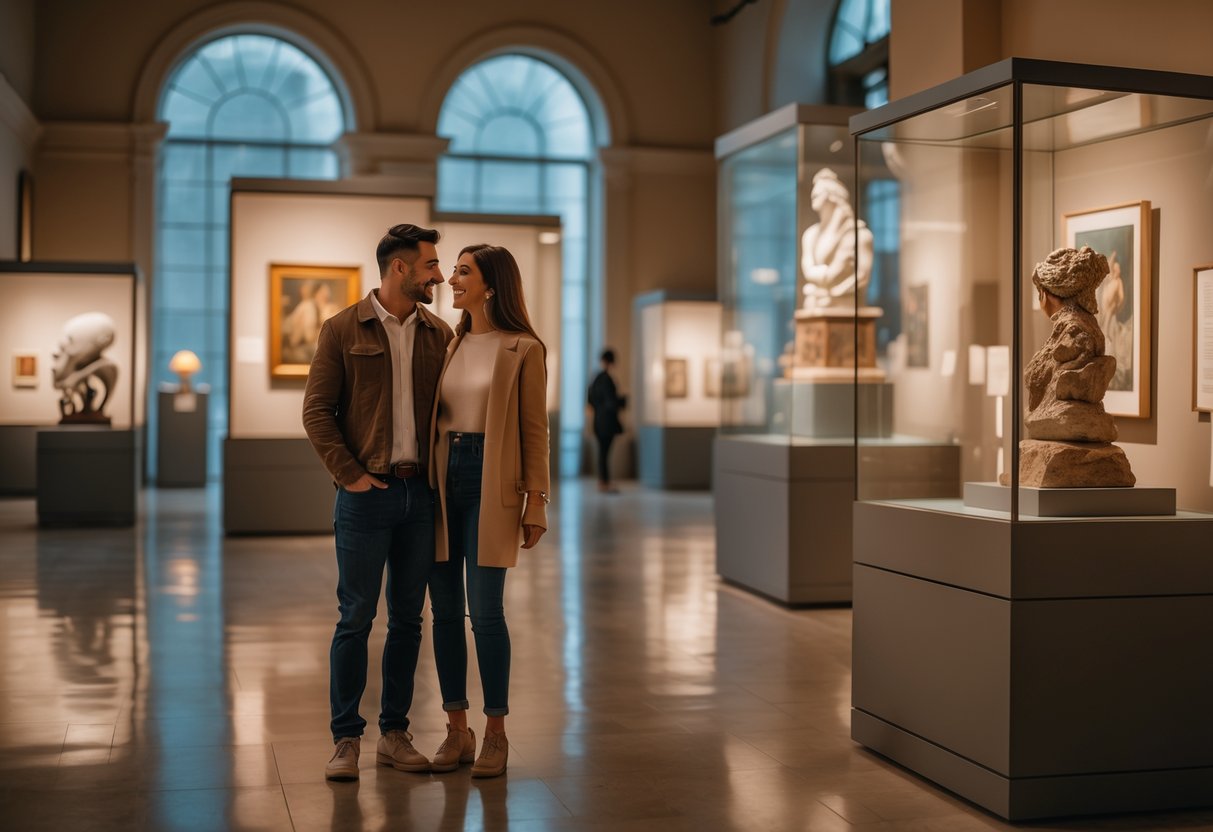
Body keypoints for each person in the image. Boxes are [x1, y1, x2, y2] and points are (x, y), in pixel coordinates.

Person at [302, 224, 454, 781]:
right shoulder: (342, 328)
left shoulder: (441, 334)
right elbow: (317, 411)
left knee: (408, 621)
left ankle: (394, 733)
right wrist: (352, 477)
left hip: (422, 496)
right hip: (366, 496)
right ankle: (346, 740)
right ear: (399, 269)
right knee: (356, 617)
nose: (439, 274)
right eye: (431, 265)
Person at [426, 243, 549, 778]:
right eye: (453, 270)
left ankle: (496, 732)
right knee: (446, 611)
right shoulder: (449, 344)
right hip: (440, 478)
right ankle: (458, 729)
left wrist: (536, 500)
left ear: (490, 285)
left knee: (487, 612)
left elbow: (533, 430)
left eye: (462, 271)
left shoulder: (523, 348)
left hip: (490, 479)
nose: (451, 279)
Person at [800, 167, 874, 310]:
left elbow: (862, 276)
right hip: (814, 305)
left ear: (833, 196)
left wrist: (833, 293)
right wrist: (826, 279)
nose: (813, 194)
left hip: (846, 307)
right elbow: (808, 269)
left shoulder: (860, 234)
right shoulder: (810, 234)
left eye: (820, 192)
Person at [587, 349, 626, 492]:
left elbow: (590, 399)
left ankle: (603, 481)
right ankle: (604, 482)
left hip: (598, 421)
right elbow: (611, 402)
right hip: (607, 423)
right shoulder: (607, 379)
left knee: (603, 453)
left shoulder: (596, 379)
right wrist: (622, 402)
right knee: (604, 453)